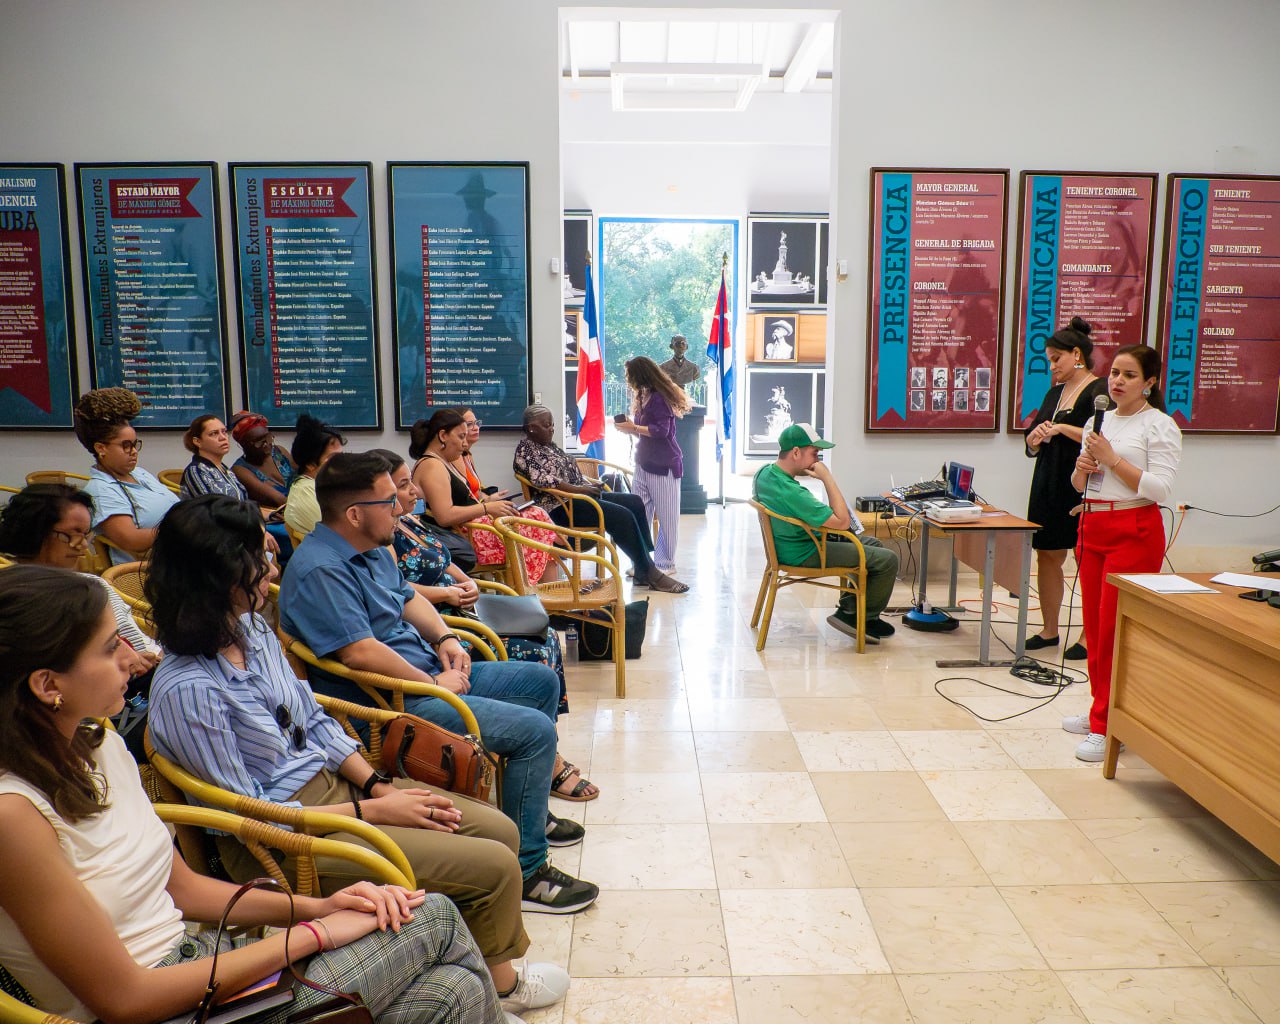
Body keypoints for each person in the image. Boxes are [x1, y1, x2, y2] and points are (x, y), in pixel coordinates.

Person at [0, 565, 509, 1024]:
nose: (135, 659)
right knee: (435, 915)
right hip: (167, 1007)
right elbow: (127, 999)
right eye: (112, 647)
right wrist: (312, 935)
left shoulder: (99, 743)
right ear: (48, 685)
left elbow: (184, 889)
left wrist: (319, 906)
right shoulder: (13, 816)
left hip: (197, 965)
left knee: (454, 990)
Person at [144, 496, 570, 1016]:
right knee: (498, 865)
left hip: (334, 793)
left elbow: (314, 721)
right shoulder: (189, 688)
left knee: (498, 829)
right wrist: (374, 812)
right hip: (282, 843)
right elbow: (246, 817)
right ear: (218, 578)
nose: (272, 566)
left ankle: (474, 964)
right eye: (258, 559)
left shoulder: (249, 629)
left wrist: (376, 786)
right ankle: (500, 990)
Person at [279, 453, 600, 915]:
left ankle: (525, 814)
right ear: (354, 513)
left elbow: (407, 599)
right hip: (389, 706)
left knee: (540, 682)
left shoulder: (367, 546)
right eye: (389, 500)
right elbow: (360, 653)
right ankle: (528, 872)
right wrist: (434, 683)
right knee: (534, 731)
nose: (401, 507)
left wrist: (446, 638)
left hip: (425, 676)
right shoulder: (321, 570)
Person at [375, 450, 597, 804]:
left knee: (546, 637)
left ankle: (542, 758)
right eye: (404, 486)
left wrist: (468, 582)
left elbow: (445, 563)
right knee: (534, 650)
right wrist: (448, 595)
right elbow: (401, 594)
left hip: (460, 612)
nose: (416, 491)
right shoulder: (381, 543)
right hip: (445, 619)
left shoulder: (409, 524)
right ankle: (545, 759)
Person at [1067, 344, 1181, 761]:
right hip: (1092, 524)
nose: (1117, 381)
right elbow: (1078, 487)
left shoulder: (1159, 425)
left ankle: (1109, 725)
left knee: (1116, 629)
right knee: (1094, 628)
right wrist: (1082, 468)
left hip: (1133, 529)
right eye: (1114, 372)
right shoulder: (1098, 420)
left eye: (1129, 375)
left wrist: (1112, 460)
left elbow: (1160, 488)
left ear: (1149, 383)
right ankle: (1101, 708)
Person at [514, 405, 688, 594]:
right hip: (561, 506)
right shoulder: (526, 451)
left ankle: (642, 565)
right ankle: (649, 571)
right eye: (547, 425)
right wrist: (581, 489)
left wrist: (589, 484)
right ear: (532, 428)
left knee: (635, 502)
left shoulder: (548, 446)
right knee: (622, 516)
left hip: (578, 497)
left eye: (552, 425)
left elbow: (568, 471)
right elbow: (547, 482)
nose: (552, 429)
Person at [752, 423, 899, 644]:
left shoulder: (765, 473)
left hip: (791, 544)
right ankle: (860, 617)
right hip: (806, 552)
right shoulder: (793, 492)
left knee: (874, 545)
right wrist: (827, 478)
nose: (817, 461)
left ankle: (851, 611)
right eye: (815, 453)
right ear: (795, 452)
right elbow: (841, 522)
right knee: (888, 560)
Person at [0, 483, 161, 682]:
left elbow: (137, 638)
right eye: (72, 535)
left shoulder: (91, 584)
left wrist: (149, 656)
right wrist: (119, 662)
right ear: (35, 530)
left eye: (86, 535)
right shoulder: (18, 597)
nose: (83, 546)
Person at [1022, 316, 1107, 660]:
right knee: (1047, 555)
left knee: (1085, 559)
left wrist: (1060, 430)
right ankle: (1049, 629)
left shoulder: (1098, 391)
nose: (1052, 365)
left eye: (1057, 359)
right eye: (1049, 360)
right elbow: (1035, 435)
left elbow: (1099, 437)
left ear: (1076, 354)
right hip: (1048, 481)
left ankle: (1089, 635)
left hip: (1082, 484)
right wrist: (1034, 439)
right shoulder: (1054, 391)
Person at [411, 409, 555, 583]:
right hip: (466, 536)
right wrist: (486, 507)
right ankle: (532, 590)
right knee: (535, 523)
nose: (465, 444)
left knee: (535, 520)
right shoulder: (432, 465)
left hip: (472, 530)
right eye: (461, 437)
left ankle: (537, 593)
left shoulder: (440, 462)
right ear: (443, 435)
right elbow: (444, 516)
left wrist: (488, 505)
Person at [73, 387, 178, 566]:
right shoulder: (101, 490)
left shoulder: (139, 473)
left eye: (135, 444)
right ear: (101, 448)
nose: (134, 452)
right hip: (148, 572)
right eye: (126, 446)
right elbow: (132, 540)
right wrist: (184, 528)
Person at [614, 356, 690, 577]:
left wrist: (634, 428)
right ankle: (642, 562)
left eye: (629, 375)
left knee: (667, 517)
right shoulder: (643, 395)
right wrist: (631, 426)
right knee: (639, 513)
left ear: (640, 374)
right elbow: (644, 427)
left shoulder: (658, 398)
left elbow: (661, 431)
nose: (627, 379)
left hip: (663, 464)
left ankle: (665, 564)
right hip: (644, 463)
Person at [284, 413, 346, 538]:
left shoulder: (326, 487)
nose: (342, 462)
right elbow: (341, 537)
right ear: (311, 464)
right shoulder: (306, 492)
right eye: (333, 458)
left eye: (342, 456)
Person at [230, 411, 297, 508]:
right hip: (276, 518)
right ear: (244, 445)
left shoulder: (279, 451)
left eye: (268, 438)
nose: (266, 445)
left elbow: (303, 476)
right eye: (259, 441)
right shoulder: (240, 469)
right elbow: (279, 500)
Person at [179, 414, 244, 500]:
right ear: (197, 441)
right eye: (214, 433)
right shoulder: (196, 470)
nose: (223, 437)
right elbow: (213, 508)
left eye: (224, 431)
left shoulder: (224, 469)